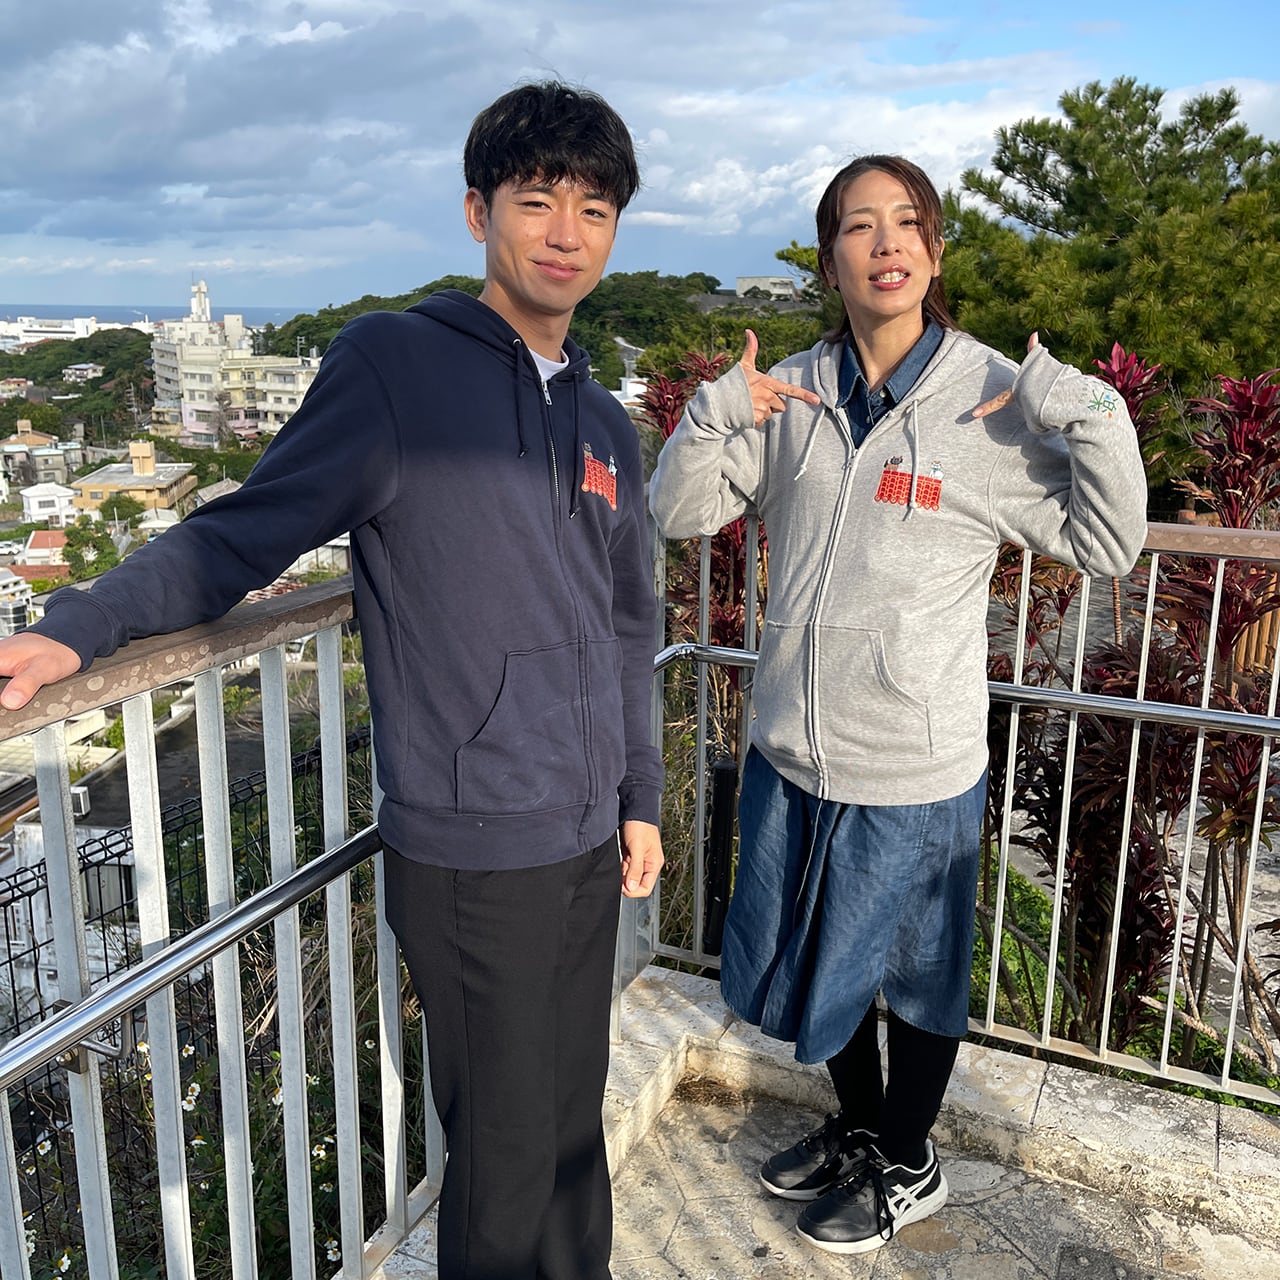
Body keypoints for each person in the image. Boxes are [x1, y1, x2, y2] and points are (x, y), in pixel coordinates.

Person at [0, 82, 664, 1280]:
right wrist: (83, 623)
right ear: (478, 212)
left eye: (594, 208)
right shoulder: (396, 366)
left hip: (580, 837)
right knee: (505, 1159)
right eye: (536, 200)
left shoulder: (605, 426)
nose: (565, 232)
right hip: (473, 842)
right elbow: (243, 530)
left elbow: (625, 626)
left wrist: (638, 796)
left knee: (573, 1130)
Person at [648, 154, 1146, 1256]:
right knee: (819, 960)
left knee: (918, 977)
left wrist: (1083, 406)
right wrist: (712, 414)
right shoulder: (788, 391)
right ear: (829, 257)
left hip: (915, 759)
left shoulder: (991, 398)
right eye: (859, 225)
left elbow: (1110, 541)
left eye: (907, 223)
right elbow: (678, 512)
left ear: (934, 249)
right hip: (793, 743)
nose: (886, 244)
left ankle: (908, 1160)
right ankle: (863, 1129)